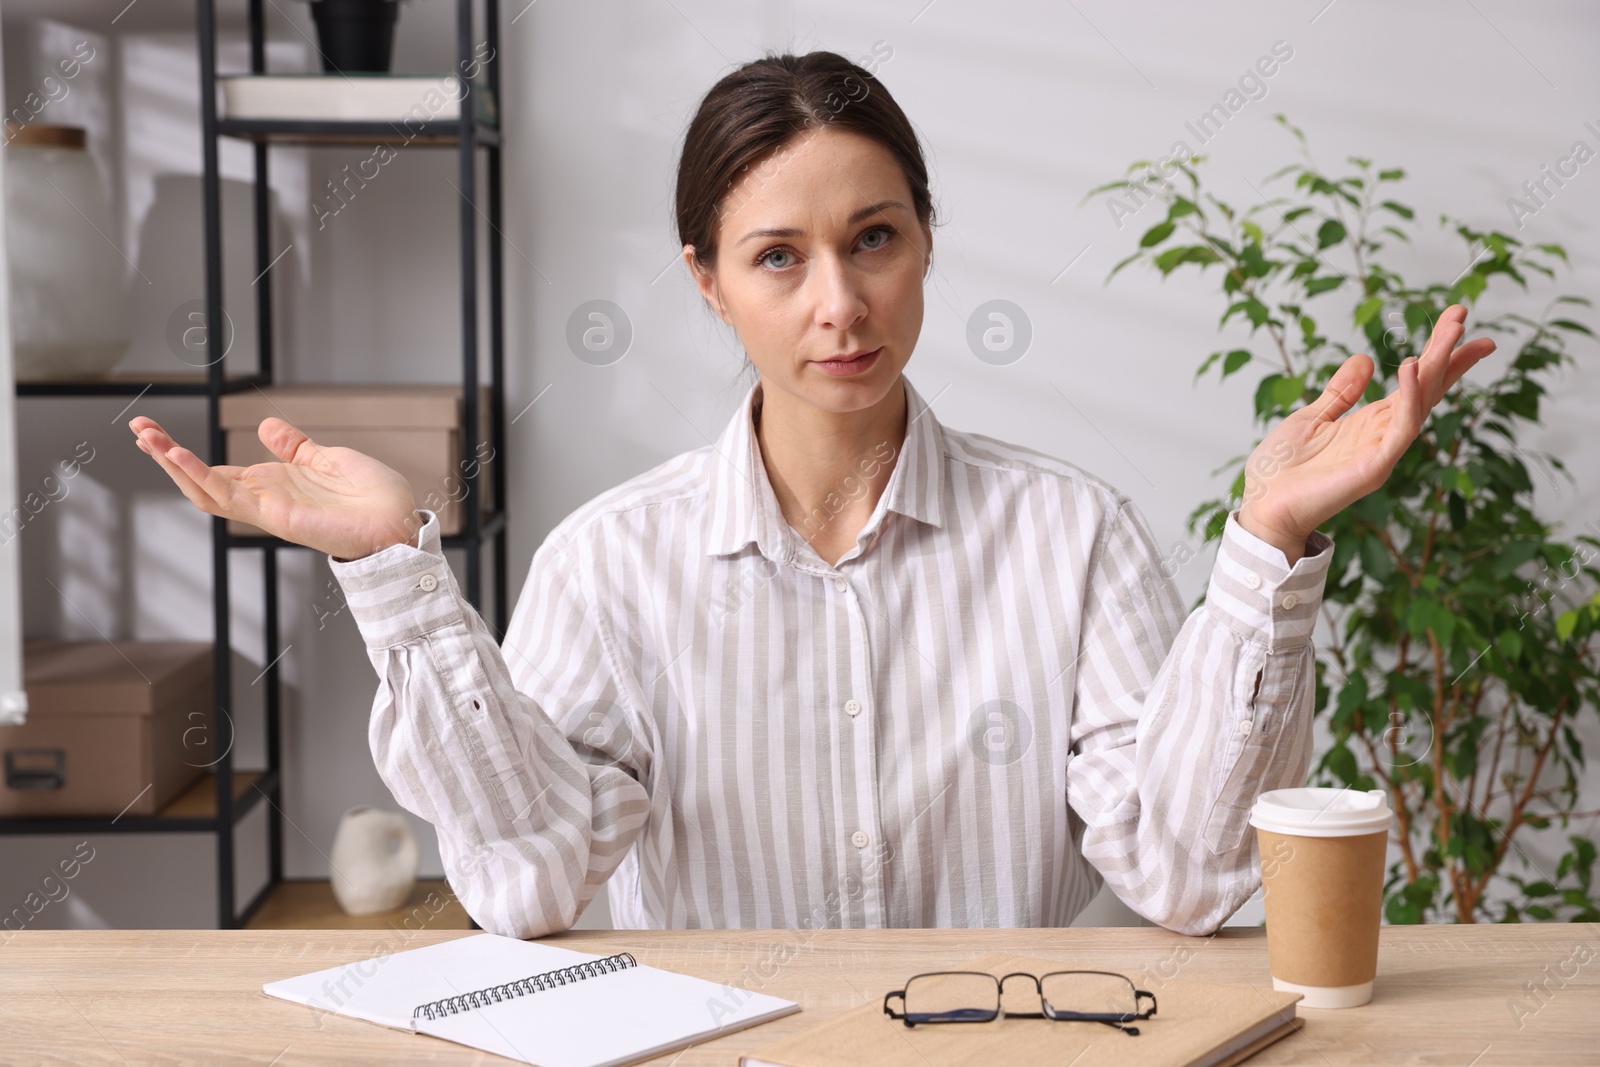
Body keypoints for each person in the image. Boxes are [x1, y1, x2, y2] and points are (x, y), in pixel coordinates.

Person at [129, 51, 1494, 938]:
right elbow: (527, 880)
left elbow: (1196, 876)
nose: (840, 304)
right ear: (707, 282)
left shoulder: (1072, 537)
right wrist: (391, 570)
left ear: (926, 245)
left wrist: (1266, 546)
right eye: (778, 257)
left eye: (874, 240)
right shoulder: (615, 564)